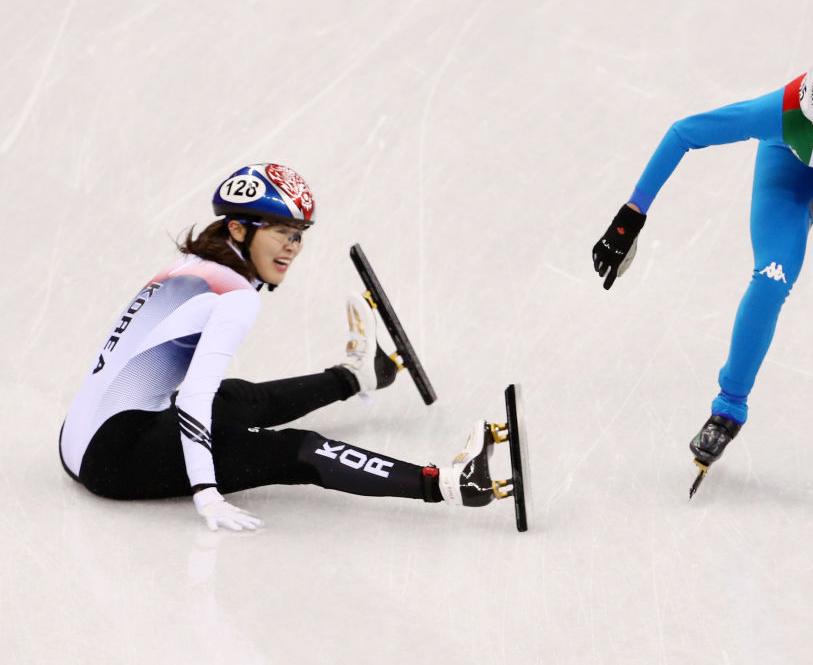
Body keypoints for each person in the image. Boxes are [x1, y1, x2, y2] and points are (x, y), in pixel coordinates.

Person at [60, 163, 504, 531]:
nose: (294, 247)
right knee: (294, 450)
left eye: (299, 233)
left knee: (238, 398)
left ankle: (357, 376)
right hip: (114, 461)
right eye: (280, 232)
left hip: (80, 436)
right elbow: (194, 398)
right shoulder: (233, 296)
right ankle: (449, 484)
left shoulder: (188, 267)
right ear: (237, 228)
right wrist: (206, 493)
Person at [592, 47, 813, 480]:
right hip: (791, 159)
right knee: (772, 273)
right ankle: (728, 407)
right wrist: (632, 214)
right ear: (812, 117)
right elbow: (684, 133)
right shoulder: (783, 112)